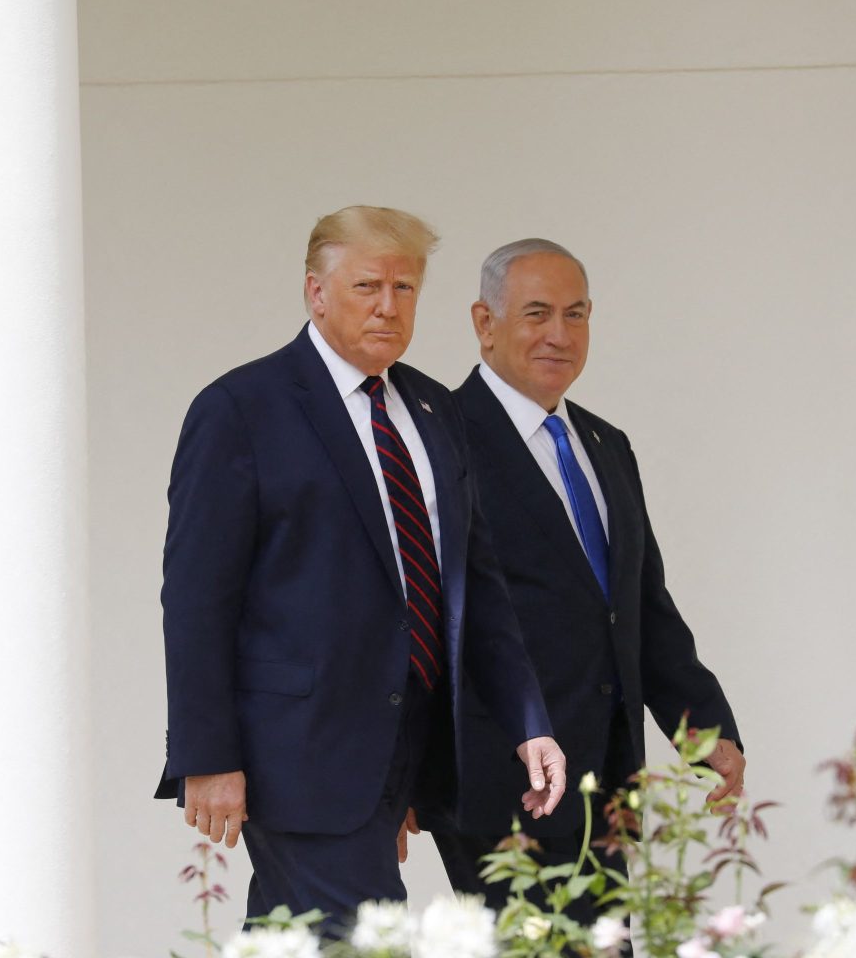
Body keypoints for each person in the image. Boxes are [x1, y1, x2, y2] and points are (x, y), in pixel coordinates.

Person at [154, 208, 566, 934]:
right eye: (367, 286)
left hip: (409, 745)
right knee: (359, 933)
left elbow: (476, 583)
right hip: (299, 750)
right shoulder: (242, 409)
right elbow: (196, 598)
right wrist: (206, 754)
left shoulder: (433, 408)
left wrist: (528, 720)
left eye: (405, 288)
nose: (388, 306)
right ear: (316, 293)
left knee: (302, 934)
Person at [425, 238, 744, 921]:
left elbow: (638, 605)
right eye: (537, 313)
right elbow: (416, 620)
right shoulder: (439, 441)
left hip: (604, 778)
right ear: (484, 323)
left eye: (576, 314)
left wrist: (702, 724)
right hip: (498, 782)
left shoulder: (606, 444)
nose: (559, 335)